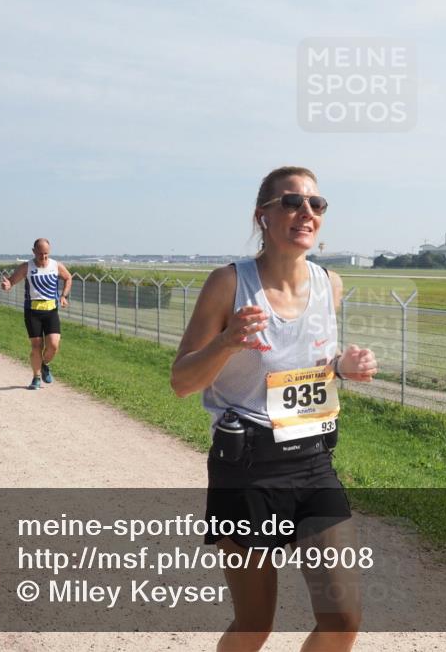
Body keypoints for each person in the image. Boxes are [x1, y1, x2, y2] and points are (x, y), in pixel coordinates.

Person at [171, 166, 378, 652]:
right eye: (291, 202)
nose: (306, 213)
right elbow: (182, 381)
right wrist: (226, 342)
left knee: (342, 621)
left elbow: (308, 368)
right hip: (245, 468)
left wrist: (342, 368)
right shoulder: (229, 283)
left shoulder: (331, 284)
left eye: (316, 204)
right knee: (254, 626)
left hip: (312, 463)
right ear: (262, 215)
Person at [0, 238, 72, 390]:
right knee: (36, 346)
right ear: (33, 252)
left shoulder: (56, 265)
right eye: (40, 254)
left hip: (51, 311)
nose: (43, 257)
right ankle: (36, 378)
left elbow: (68, 277)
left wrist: (64, 296)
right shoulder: (27, 267)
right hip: (32, 312)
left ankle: (44, 364)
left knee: (53, 345)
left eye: (46, 253)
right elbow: (12, 282)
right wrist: (7, 285)